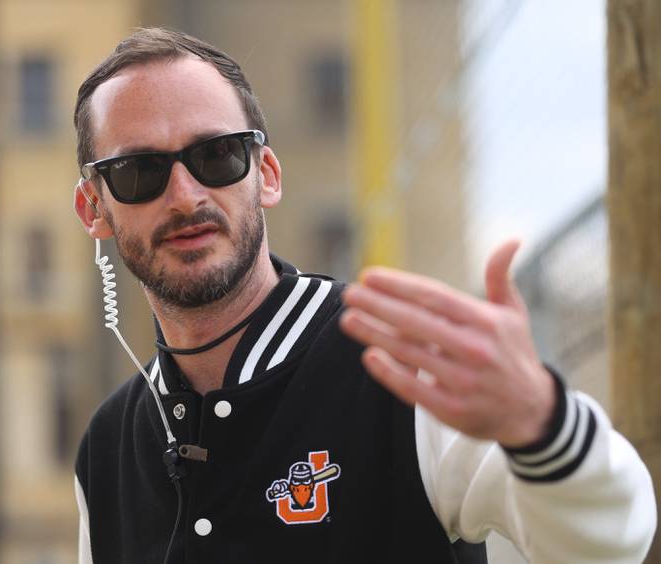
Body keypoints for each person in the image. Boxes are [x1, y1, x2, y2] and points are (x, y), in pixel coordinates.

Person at [72, 27, 656, 564]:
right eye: (138, 170)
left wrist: (545, 425)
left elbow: (610, 545)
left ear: (266, 173)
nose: (183, 194)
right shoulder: (105, 448)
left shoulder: (399, 364)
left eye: (215, 155)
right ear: (93, 208)